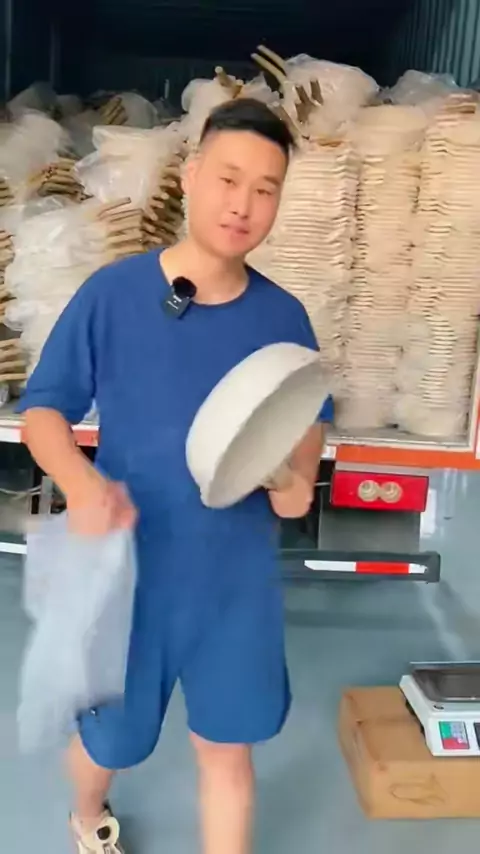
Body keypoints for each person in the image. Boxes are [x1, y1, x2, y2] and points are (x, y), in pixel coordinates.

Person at [19, 97, 334, 854]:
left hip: (233, 583)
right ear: (191, 176)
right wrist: (83, 485)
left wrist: (295, 482)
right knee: (113, 742)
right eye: (228, 178)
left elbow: (305, 430)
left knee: (227, 752)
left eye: (265, 188)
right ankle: (87, 815)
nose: (243, 204)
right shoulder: (114, 295)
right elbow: (43, 412)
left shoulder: (285, 318)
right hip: (129, 575)